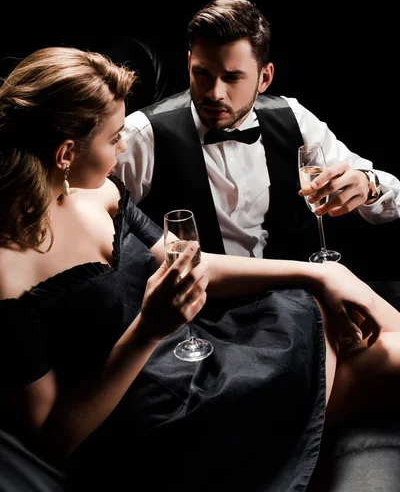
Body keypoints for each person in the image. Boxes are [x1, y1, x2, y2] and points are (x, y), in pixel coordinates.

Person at [1, 47, 400, 492]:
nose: (123, 146)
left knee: (365, 321)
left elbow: (191, 261)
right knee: (387, 360)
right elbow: (52, 441)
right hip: (168, 416)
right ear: (64, 154)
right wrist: (148, 330)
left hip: (205, 355)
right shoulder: (6, 278)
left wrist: (319, 273)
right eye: (114, 138)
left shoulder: (101, 195)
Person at [113, 0, 400, 270]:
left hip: (289, 299)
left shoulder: (293, 118)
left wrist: (368, 185)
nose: (214, 93)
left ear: (265, 78)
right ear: (188, 65)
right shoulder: (141, 134)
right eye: (202, 73)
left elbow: (393, 197)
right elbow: (92, 220)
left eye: (232, 77)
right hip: (197, 308)